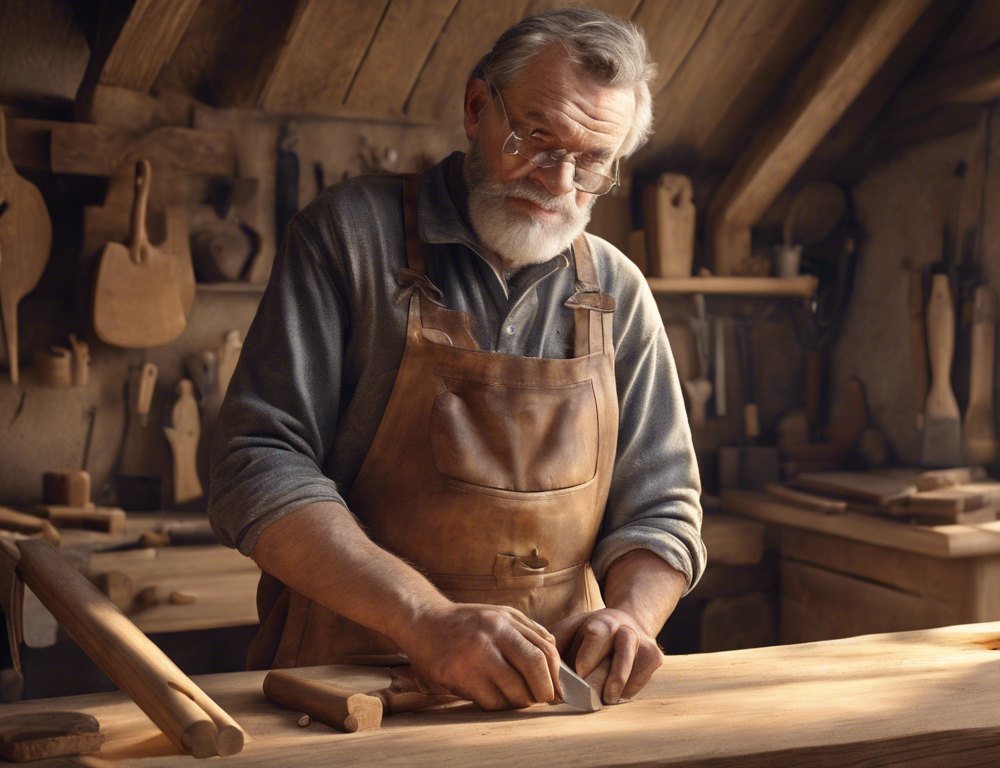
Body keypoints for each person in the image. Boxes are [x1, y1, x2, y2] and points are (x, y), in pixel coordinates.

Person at [208, 7, 705, 711]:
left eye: (593, 161)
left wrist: (631, 616)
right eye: (537, 137)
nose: (560, 184)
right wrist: (425, 620)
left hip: (552, 699)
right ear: (478, 107)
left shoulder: (617, 289)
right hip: (353, 692)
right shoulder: (348, 238)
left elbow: (661, 507)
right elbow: (255, 464)